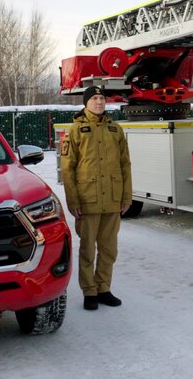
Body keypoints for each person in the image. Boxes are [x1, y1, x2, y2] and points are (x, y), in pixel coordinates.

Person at [60, 86, 132, 310]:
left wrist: (126, 197)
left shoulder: (115, 129)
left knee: (109, 249)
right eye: (95, 98)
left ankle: (104, 288)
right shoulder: (75, 130)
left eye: (102, 98)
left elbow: (125, 165)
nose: (99, 102)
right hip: (88, 200)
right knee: (88, 249)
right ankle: (89, 291)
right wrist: (73, 201)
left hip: (112, 198)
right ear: (86, 102)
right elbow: (67, 168)